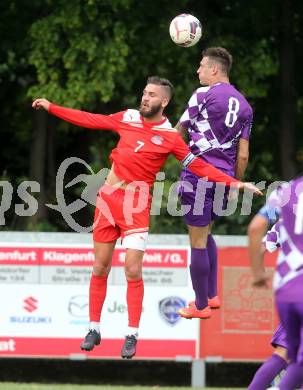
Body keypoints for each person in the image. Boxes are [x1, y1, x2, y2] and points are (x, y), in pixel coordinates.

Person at [32, 76, 261, 359]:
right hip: (108, 199)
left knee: (132, 269)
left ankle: (132, 334)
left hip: (137, 203)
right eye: (144, 92)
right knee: (100, 266)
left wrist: (234, 183)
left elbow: (199, 166)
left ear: (163, 101)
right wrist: (52, 107)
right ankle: (93, 327)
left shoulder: (170, 136)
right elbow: (90, 119)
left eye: (151, 94)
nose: (144, 98)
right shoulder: (127, 117)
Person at [176, 47, 253, 319]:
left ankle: (200, 306)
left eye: (200, 66)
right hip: (223, 178)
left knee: (196, 241)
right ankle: (212, 294)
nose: (198, 71)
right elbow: (242, 155)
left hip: (197, 174)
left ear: (214, 70)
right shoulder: (245, 106)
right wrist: (235, 182)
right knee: (206, 232)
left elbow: (179, 131)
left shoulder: (203, 94)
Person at [250, 178, 303, 390]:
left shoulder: (286, 191)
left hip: (286, 291)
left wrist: (257, 273)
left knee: (285, 353)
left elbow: (256, 230)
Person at [247, 212, 288, 390]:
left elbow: (261, 247)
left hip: (291, 293)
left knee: (284, 353)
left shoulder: (285, 222)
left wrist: (259, 271)